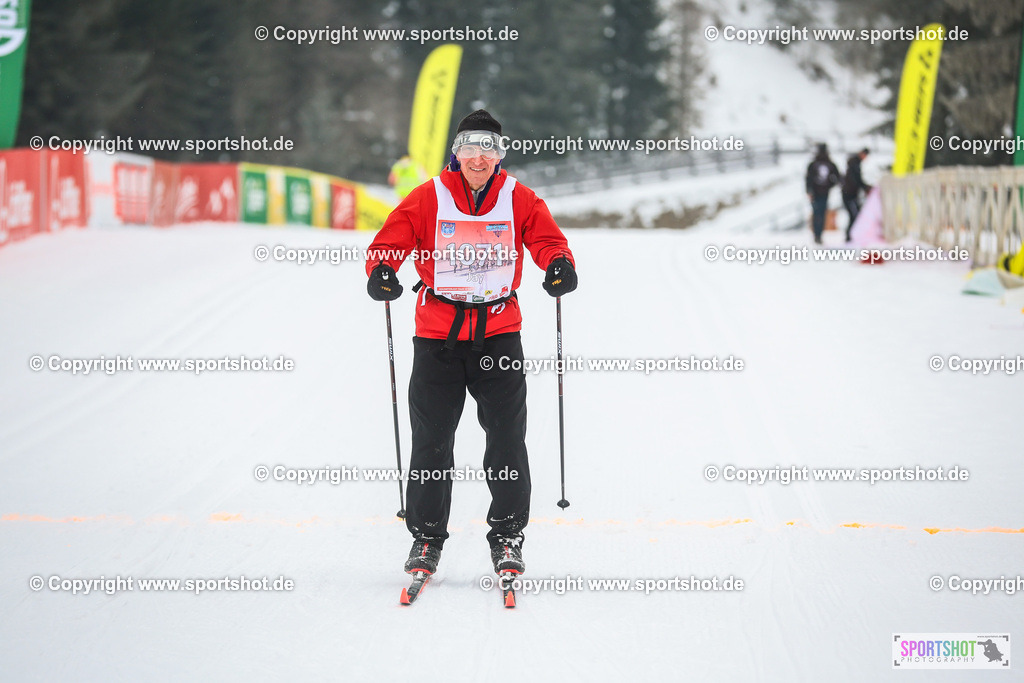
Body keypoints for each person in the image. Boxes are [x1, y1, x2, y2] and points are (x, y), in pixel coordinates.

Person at [365, 109, 577, 580]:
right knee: (433, 441)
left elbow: (547, 240)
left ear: (499, 155)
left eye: (489, 148)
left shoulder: (519, 198)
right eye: (469, 147)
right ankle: (426, 537)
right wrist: (382, 271)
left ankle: (506, 535)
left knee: (505, 439)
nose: (478, 157)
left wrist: (558, 263)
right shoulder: (428, 197)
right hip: (437, 335)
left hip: (499, 332)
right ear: (455, 153)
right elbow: (389, 243)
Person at [805, 143, 841, 245]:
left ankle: (818, 235)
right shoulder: (826, 164)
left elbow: (808, 179)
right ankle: (818, 235)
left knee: (818, 213)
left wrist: (809, 190)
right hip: (819, 192)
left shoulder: (817, 164)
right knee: (819, 213)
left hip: (820, 192)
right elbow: (809, 179)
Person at [842, 148, 871, 242]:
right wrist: (865, 187)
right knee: (854, 215)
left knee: (855, 215)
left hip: (851, 193)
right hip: (849, 194)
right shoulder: (854, 165)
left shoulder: (854, 164)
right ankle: (850, 235)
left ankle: (852, 234)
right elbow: (856, 180)